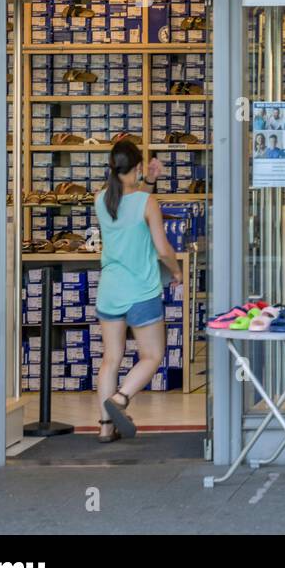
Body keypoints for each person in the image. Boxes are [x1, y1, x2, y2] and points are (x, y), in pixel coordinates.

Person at [94, 140, 183, 444]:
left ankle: (106, 427)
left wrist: (148, 182)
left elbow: (129, 201)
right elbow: (162, 248)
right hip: (141, 290)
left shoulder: (101, 199)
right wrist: (176, 270)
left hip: (109, 290)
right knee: (152, 355)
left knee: (111, 359)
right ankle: (120, 400)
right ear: (135, 168)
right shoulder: (148, 204)